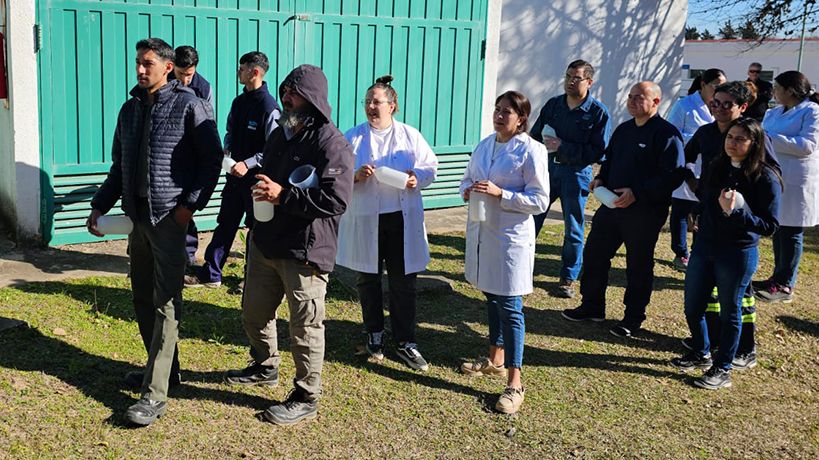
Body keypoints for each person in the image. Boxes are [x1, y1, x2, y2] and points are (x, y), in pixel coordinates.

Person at [87, 38, 222, 426]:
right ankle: (163, 371)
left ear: (167, 67)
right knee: (143, 298)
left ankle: (154, 394)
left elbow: (211, 160)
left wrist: (188, 207)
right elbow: (120, 167)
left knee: (166, 302)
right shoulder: (129, 110)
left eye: (148, 64)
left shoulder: (189, 106)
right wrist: (100, 204)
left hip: (169, 221)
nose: (141, 70)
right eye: (138, 64)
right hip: (137, 220)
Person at [223, 64, 354, 426]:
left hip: (305, 250)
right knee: (253, 312)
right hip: (266, 240)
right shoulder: (282, 133)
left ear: (312, 99)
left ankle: (307, 395)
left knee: (306, 326)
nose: (286, 98)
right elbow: (272, 175)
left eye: (293, 94)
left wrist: (285, 195)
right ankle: (265, 366)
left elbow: (336, 200)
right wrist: (265, 186)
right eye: (284, 92)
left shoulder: (331, 142)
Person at [561, 82, 685, 338]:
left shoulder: (666, 134)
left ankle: (632, 318)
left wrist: (638, 193)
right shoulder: (624, 130)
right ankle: (592, 306)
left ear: (656, 102)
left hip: (644, 212)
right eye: (630, 97)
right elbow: (610, 159)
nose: (632, 101)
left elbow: (673, 176)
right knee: (595, 254)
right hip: (612, 206)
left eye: (639, 98)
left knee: (637, 265)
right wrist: (601, 178)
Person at [336, 75, 438, 371]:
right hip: (367, 217)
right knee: (367, 278)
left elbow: (430, 166)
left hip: (400, 218)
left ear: (392, 106)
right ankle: (374, 334)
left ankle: (406, 341)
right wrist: (355, 175)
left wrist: (416, 177)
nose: (370, 106)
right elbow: (335, 171)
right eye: (367, 101)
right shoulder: (353, 136)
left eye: (376, 101)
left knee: (402, 281)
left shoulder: (409, 135)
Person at [671, 118, 781, 390]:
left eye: (739, 139)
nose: (732, 143)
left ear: (754, 143)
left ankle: (722, 368)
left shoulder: (765, 176)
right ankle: (701, 350)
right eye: (729, 137)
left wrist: (739, 212)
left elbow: (770, 226)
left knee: (730, 311)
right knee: (693, 305)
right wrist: (699, 214)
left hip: (737, 252)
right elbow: (706, 199)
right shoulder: (717, 166)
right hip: (705, 245)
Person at [458, 91, 549, 415]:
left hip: (511, 237)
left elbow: (540, 200)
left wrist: (502, 193)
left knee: (510, 306)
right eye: (497, 110)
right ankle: (495, 358)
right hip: (484, 232)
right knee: (491, 296)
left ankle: (515, 381)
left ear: (521, 118)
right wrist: (467, 190)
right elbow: (467, 178)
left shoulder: (532, 150)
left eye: (507, 112)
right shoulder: (485, 144)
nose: (499, 116)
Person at [185, 51, 281, 288]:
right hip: (234, 179)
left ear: (254, 72)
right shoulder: (239, 103)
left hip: (255, 181)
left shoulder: (269, 107)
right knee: (225, 223)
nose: (238, 72)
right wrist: (227, 150)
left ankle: (252, 279)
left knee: (255, 230)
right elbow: (229, 131)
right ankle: (211, 273)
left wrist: (247, 164)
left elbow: (272, 148)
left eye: (241, 68)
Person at [529, 60, 611, 298]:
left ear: (589, 82)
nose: (570, 82)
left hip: (576, 173)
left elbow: (598, 151)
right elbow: (535, 135)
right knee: (532, 219)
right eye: (567, 77)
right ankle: (522, 267)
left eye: (576, 78)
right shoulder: (554, 105)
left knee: (573, 227)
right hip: (547, 170)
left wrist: (563, 147)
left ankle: (568, 277)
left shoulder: (598, 112)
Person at [754, 71, 819, 303]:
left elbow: (808, 145)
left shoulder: (812, 111)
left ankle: (785, 285)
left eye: (777, 88)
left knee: (792, 233)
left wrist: (769, 138)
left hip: (797, 179)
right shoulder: (774, 111)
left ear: (791, 90)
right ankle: (776, 278)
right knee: (779, 229)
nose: (774, 92)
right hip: (776, 176)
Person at [666, 68, 726, 271]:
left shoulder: (720, 108)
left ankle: (699, 251)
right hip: (687, 166)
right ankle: (681, 253)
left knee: (704, 213)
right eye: (715, 85)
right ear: (703, 84)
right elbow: (671, 135)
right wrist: (700, 139)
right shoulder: (684, 105)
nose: (718, 90)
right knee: (681, 212)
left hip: (711, 170)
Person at [172, 45, 215, 266]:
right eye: (180, 74)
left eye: (189, 74)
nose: (185, 80)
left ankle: (188, 255)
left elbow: (208, 121)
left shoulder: (204, 87)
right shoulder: (162, 80)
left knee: (186, 207)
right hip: (166, 154)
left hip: (190, 154)